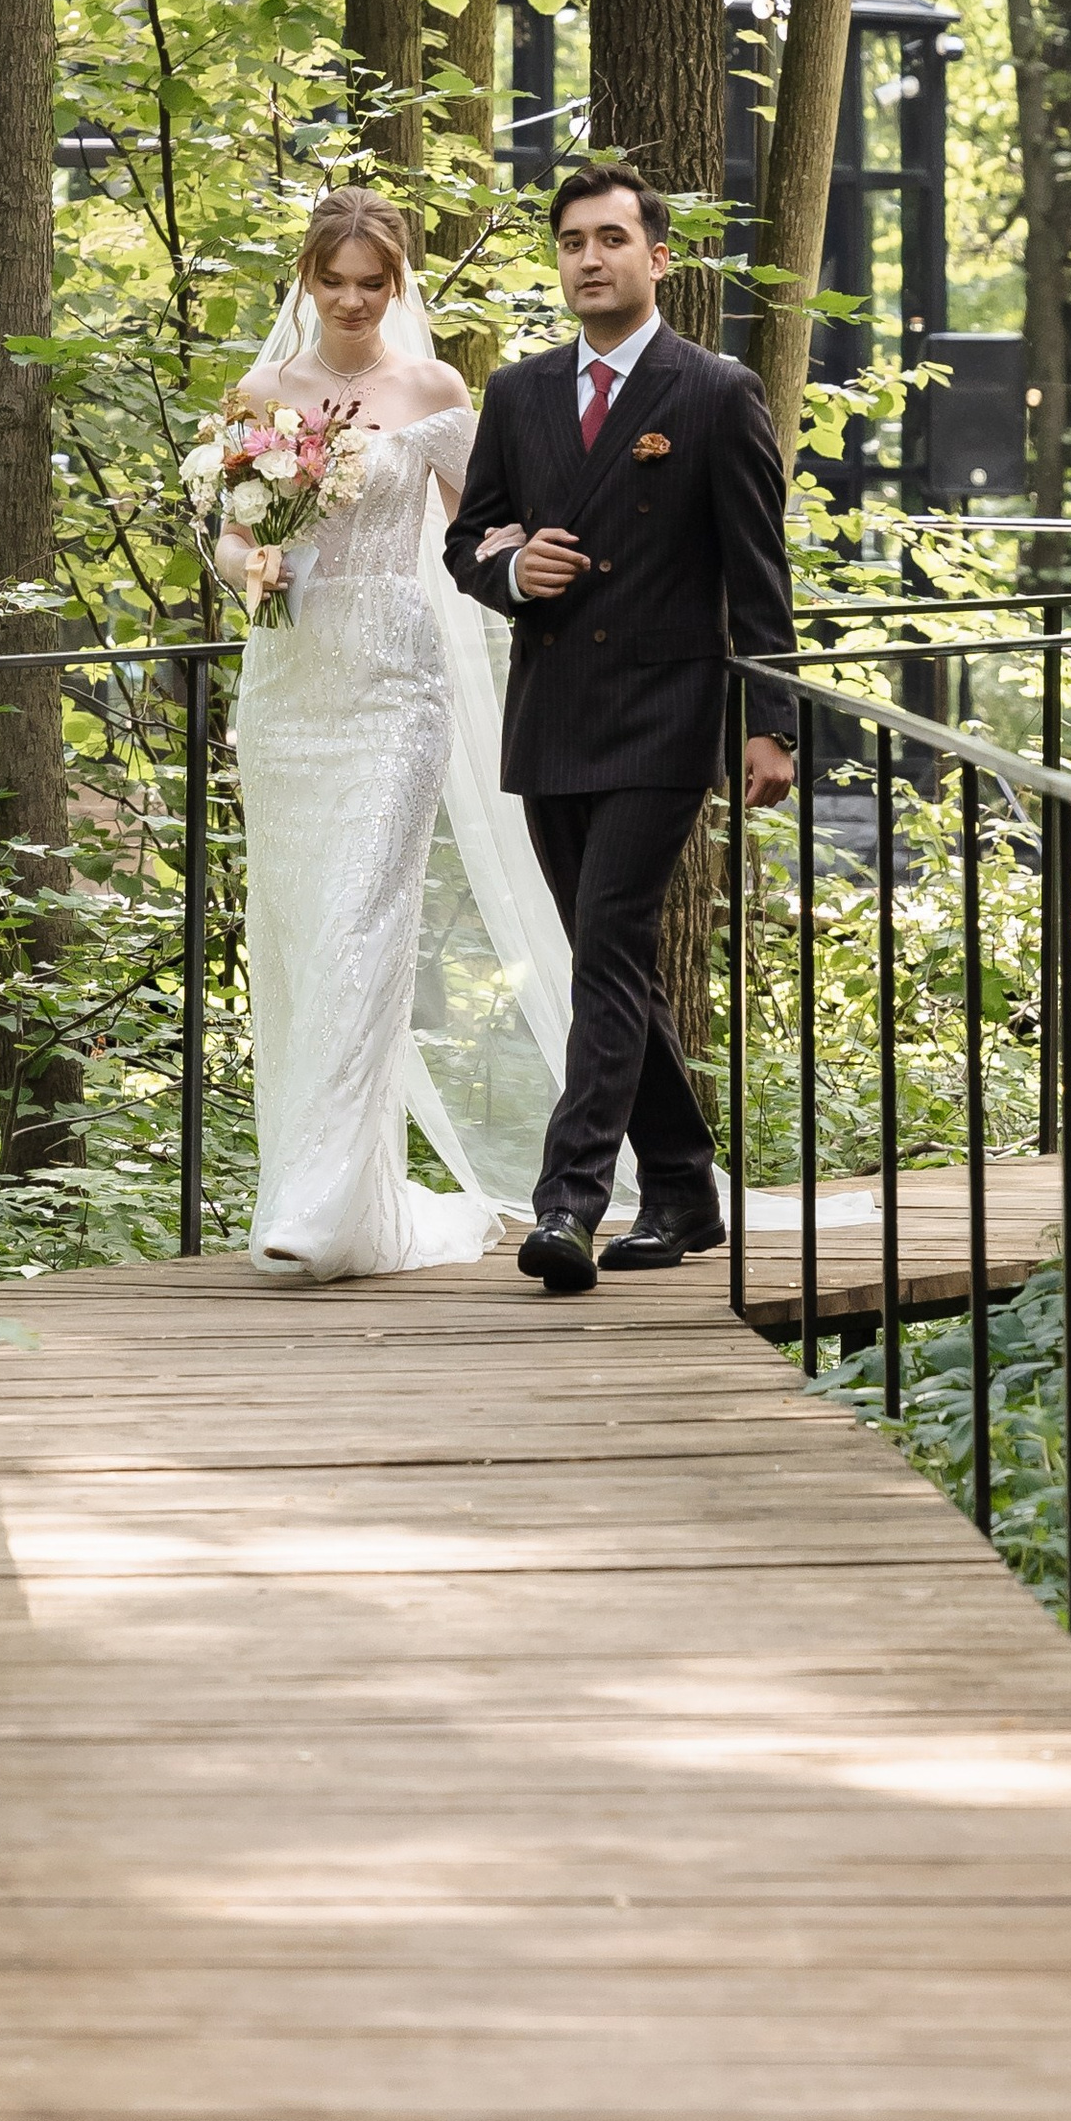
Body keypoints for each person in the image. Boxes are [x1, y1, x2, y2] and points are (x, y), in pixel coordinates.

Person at [442, 165, 798, 1295]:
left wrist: (772, 725)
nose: (589, 259)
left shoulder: (712, 390)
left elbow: (758, 573)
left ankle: (569, 1204)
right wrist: (511, 572)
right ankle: (687, 1187)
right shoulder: (520, 389)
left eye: (610, 239)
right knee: (615, 962)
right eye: (571, 243)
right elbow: (470, 542)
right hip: (550, 711)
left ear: (656, 258)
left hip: (664, 713)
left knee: (604, 948)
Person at [216, 191, 498, 1283]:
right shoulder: (261, 392)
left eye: (369, 282)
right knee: (294, 935)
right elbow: (229, 539)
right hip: (287, 685)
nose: (348, 300)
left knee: (360, 927)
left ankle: (317, 1212)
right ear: (305, 279)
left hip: (393, 686)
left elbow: (481, 530)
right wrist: (254, 566)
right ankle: (335, 1195)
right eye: (330, 280)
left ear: (397, 283)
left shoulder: (431, 389)